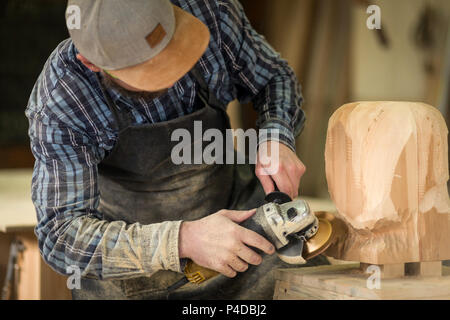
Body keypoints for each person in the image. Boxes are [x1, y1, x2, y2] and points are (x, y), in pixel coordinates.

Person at [26, 0, 317, 300]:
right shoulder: (62, 99)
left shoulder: (209, 11)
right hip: (132, 277)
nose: (172, 71)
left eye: (174, 51)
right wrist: (182, 240)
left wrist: (276, 136)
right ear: (92, 62)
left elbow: (273, 77)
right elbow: (61, 236)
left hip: (244, 237)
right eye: (149, 71)